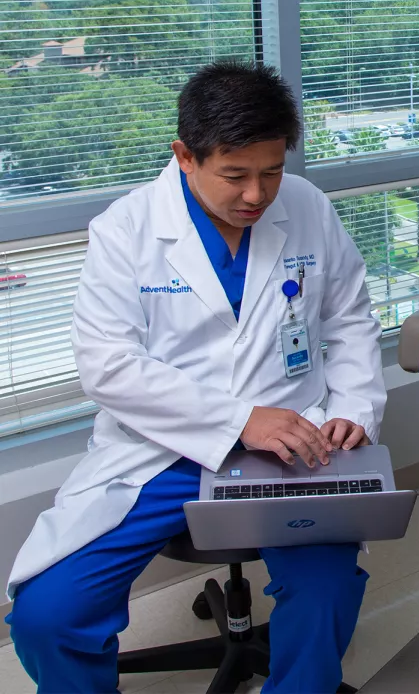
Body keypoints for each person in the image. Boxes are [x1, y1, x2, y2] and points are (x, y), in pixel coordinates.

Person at [5, 60, 387, 693]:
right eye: (235, 175)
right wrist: (240, 422)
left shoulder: (309, 208)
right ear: (185, 155)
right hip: (163, 449)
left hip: (295, 441)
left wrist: (352, 408)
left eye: (272, 172)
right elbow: (108, 365)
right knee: (49, 617)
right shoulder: (127, 230)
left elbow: (349, 319)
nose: (257, 196)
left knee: (325, 591)